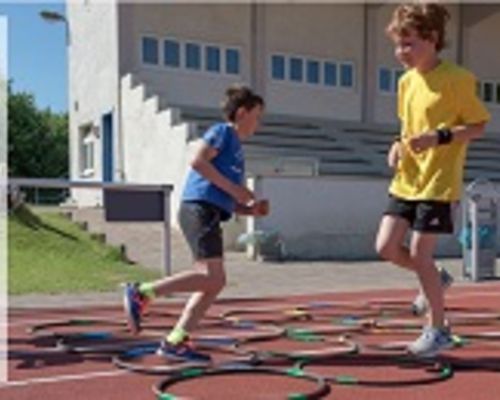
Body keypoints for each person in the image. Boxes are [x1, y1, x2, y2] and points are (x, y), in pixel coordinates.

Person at [375, 3, 490, 357]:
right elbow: (407, 127)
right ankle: (436, 279)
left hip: (438, 181)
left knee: (419, 252)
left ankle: (438, 329)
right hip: (407, 179)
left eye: (409, 44)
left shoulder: (457, 79)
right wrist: (397, 145)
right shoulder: (406, 82)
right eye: (398, 44)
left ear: (432, 39)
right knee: (386, 247)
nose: (401, 53)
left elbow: (478, 126)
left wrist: (438, 138)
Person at [123, 85, 268, 362]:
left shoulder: (236, 150)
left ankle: (176, 339)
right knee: (212, 277)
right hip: (198, 209)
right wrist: (237, 189)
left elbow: (225, 197)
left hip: (210, 211)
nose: (259, 124)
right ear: (241, 113)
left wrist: (250, 210)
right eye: (257, 116)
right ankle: (142, 292)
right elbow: (198, 162)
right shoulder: (223, 132)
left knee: (214, 281)